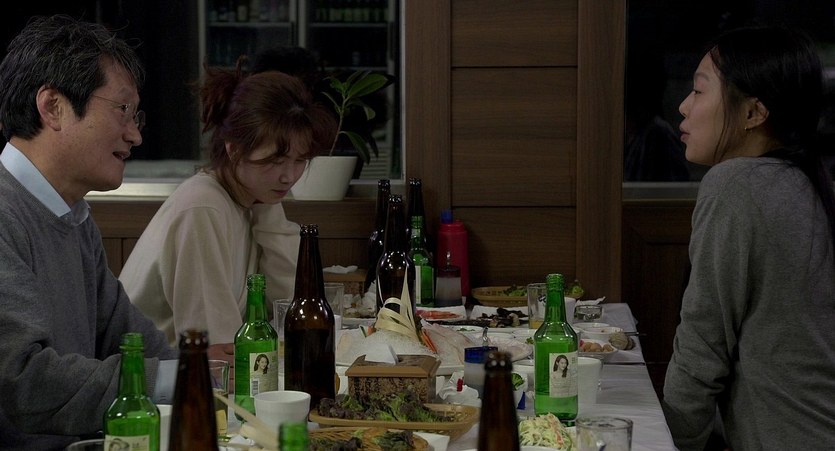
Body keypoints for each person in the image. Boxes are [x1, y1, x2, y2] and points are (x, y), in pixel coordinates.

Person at [0, 15, 179, 450]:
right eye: (122, 110)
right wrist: (176, 381)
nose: (135, 135)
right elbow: (23, 380)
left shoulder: (73, 214)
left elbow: (130, 338)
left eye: (136, 116)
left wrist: (197, 375)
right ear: (53, 107)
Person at [661, 25, 835, 450]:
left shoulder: (737, 184)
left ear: (754, 113)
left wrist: (672, 443)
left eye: (699, 91)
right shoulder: (808, 182)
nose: (683, 105)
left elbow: (703, 346)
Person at [119, 58, 337, 359]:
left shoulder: (251, 199)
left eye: (300, 161)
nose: (289, 176)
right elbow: (218, 351)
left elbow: (290, 308)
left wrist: (269, 209)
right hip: (150, 376)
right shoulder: (203, 208)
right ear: (233, 149)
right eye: (275, 161)